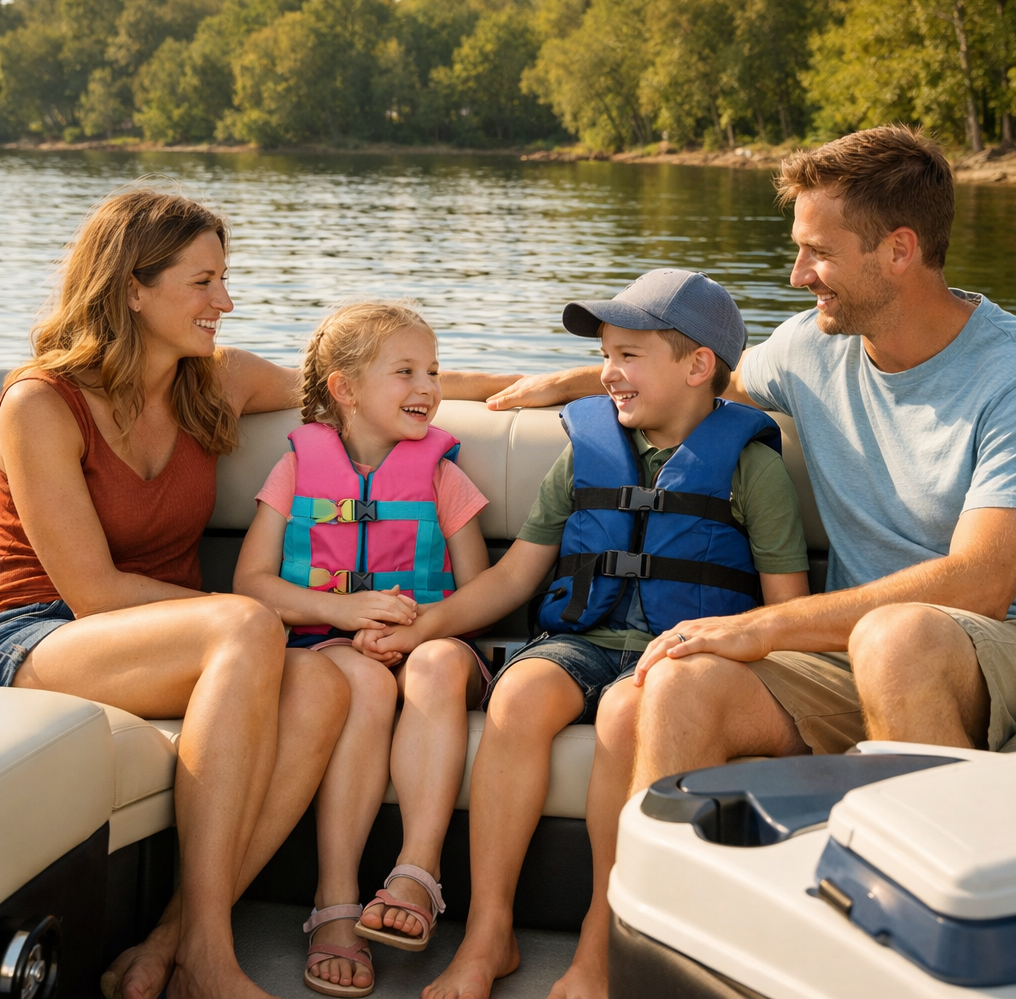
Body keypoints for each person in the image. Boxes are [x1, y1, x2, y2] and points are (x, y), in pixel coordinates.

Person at [480, 125, 1016, 999]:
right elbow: (702, 378)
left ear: (899, 251)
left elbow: (984, 582)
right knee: (677, 680)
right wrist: (575, 381)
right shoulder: (813, 347)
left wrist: (763, 627)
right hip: (847, 656)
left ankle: (922, 973)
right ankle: (637, 964)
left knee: (898, 639)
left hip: (986, 654)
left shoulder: (1011, 374)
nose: (798, 275)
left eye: (818, 252)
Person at [359, 269, 810, 999]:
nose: (607, 373)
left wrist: (720, 648)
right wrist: (421, 628)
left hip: (678, 658)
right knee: (519, 696)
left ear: (698, 366)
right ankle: (487, 935)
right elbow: (515, 578)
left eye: (628, 356)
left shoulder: (753, 469)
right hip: (583, 641)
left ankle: (599, 946)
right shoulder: (586, 453)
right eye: (604, 355)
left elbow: (786, 611)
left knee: (630, 712)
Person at [0, 188, 357, 999]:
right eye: (203, 282)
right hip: (36, 636)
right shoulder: (40, 403)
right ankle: (212, 957)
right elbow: (92, 594)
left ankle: (174, 944)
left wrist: (572, 383)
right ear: (132, 288)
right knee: (247, 627)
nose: (224, 302)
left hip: (175, 642)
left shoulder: (216, 381)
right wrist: (253, 615)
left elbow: (361, 384)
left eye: (223, 279)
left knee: (323, 685)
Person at [233, 301, 492, 996]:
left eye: (433, 371)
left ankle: (417, 873)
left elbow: (481, 593)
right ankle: (338, 902)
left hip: (435, 645)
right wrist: (342, 613)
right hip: (336, 647)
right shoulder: (296, 469)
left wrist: (417, 630)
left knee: (435, 665)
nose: (428, 387)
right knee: (364, 679)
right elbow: (251, 583)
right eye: (405, 371)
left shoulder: (441, 474)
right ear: (345, 389)